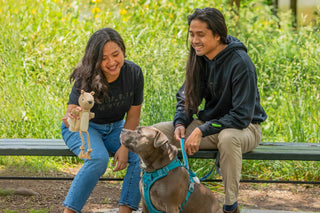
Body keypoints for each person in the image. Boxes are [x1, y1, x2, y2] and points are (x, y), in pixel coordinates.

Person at [153, 8, 267, 213]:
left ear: (217, 35)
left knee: (228, 138)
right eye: (191, 34)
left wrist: (200, 131)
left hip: (245, 129)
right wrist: (180, 122)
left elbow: (241, 116)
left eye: (200, 34)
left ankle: (230, 206)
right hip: (210, 127)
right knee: (153, 135)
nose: (194, 40)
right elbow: (187, 98)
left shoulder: (241, 63)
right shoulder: (199, 57)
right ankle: (155, 196)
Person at [61, 28, 143, 213]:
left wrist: (125, 146)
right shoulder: (86, 76)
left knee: (141, 155)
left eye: (116, 55)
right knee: (98, 158)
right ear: (95, 60)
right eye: (104, 58)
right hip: (84, 128)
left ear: (123, 51)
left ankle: (125, 210)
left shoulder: (134, 73)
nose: (112, 62)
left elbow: (133, 115)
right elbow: (69, 116)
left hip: (117, 128)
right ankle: (69, 211)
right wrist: (74, 116)